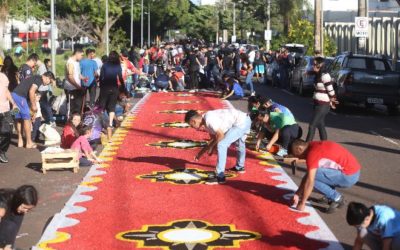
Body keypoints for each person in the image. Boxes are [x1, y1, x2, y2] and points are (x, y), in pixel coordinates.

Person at [290, 139, 361, 213]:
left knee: (312, 177)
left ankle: (337, 198)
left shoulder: (312, 154)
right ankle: (329, 197)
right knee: (315, 173)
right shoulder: (313, 144)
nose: (298, 158)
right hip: (353, 171)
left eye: (296, 155)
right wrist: (298, 194)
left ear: (299, 149)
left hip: (349, 176)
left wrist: (302, 203)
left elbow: (309, 181)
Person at [185, 109, 251, 184]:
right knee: (240, 144)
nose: (192, 127)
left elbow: (220, 136)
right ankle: (240, 167)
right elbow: (213, 139)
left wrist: (212, 147)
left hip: (241, 123)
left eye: (191, 125)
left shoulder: (209, 120)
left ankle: (220, 176)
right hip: (244, 119)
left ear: (193, 121)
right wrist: (200, 153)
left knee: (222, 144)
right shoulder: (206, 120)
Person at [12, 72, 54, 148]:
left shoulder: (34, 77)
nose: (48, 84)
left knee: (18, 118)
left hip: (14, 95)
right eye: (50, 82)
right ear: (47, 77)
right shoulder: (39, 79)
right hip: (20, 96)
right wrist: (34, 105)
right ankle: (29, 142)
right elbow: (31, 91)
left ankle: (20, 141)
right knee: (27, 119)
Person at [306, 56, 338, 142]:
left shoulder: (325, 76)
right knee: (320, 125)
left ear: (320, 65)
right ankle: (324, 145)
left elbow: (331, 90)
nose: (313, 66)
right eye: (313, 64)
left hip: (323, 105)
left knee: (312, 125)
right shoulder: (318, 74)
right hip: (317, 103)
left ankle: (306, 146)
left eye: (315, 64)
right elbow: (312, 72)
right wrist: (309, 72)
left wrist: (333, 100)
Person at [99, 51, 123, 141]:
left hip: (105, 87)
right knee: (112, 107)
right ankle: (110, 124)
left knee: (102, 107)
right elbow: (120, 78)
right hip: (114, 88)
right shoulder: (118, 66)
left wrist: (101, 87)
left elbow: (101, 77)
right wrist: (123, 88)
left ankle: (102, 124)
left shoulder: (104, 65)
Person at [0, 72, 17, 163]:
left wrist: (13, 103)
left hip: (5, 110)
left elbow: (6, 91)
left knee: (7, 132)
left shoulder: (3, 77)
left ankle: (2, 151)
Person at [64, 48, 84, 116]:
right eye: (81, 55)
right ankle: (69, 122)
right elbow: (70, 76)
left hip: (76, 88)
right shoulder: (70, 62)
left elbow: (77, 74)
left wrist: (83, 78)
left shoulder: (77, 62)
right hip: (71, 89)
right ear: (77, 53)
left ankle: (76, 122)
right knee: (71, 107)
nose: (82, 57)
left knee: (78, 106)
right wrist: (77, 86)